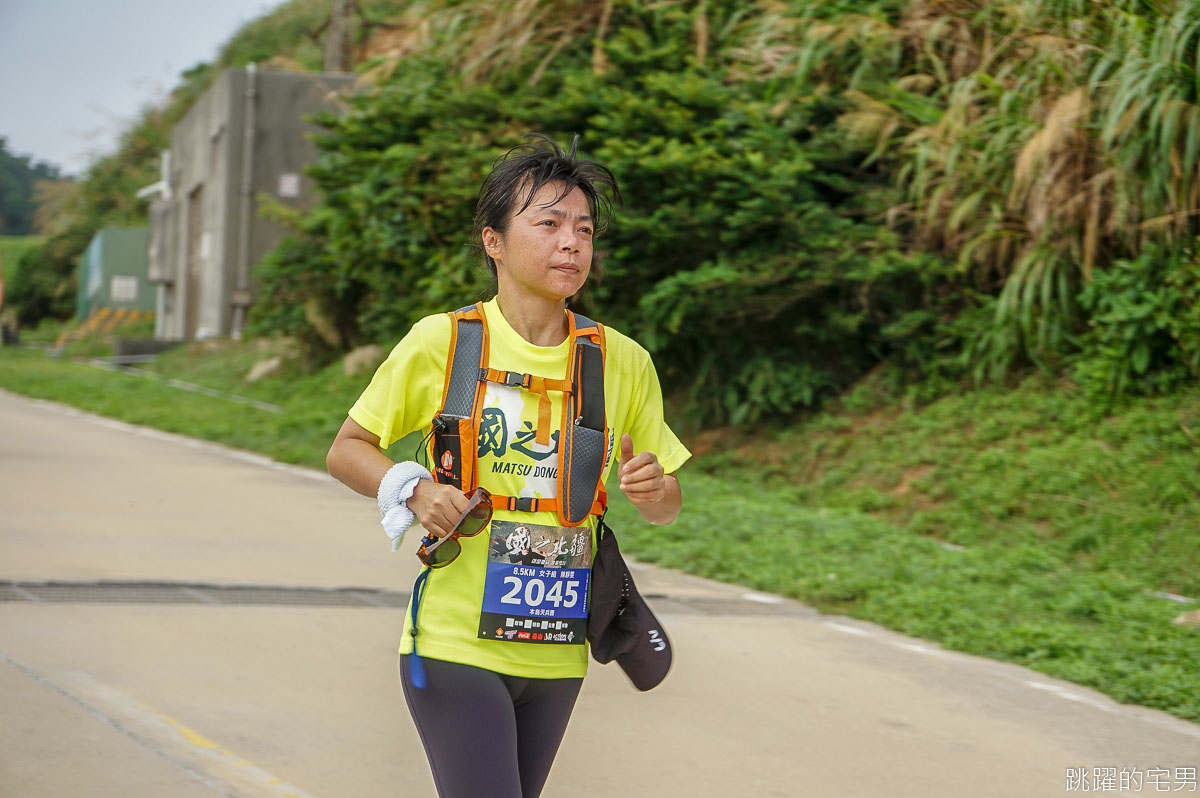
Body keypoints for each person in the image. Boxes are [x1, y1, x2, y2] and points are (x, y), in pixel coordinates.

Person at [326, 135, 690, 798]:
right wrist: (412, 490)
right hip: (453, 644)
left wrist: (653, 488)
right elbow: (347, 447)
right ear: (494, 241)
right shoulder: (444, 341)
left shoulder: (622, 361)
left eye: (583, 229)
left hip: (557, 648)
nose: (571, 243)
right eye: (548, 224)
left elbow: (668, 502)